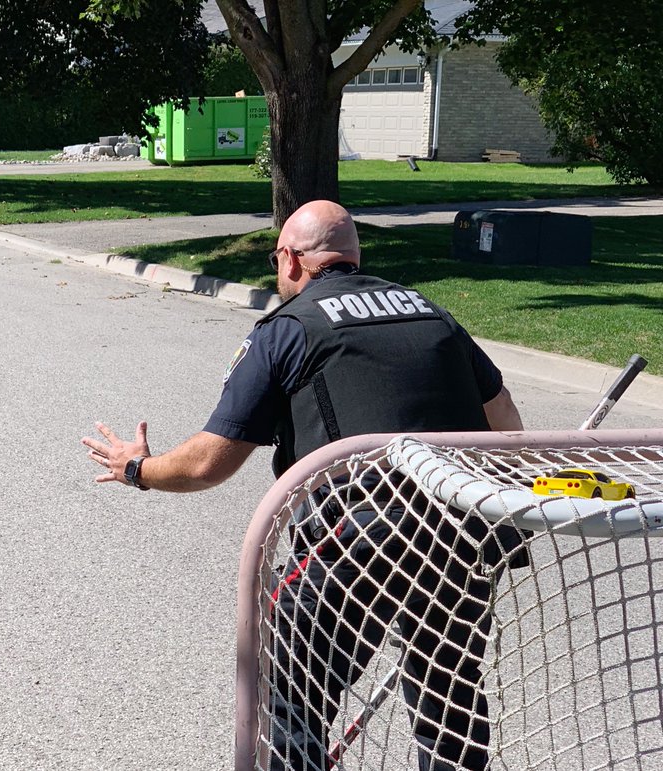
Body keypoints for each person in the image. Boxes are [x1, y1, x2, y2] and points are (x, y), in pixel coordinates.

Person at [82, 200, 524, 770]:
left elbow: (207, 464)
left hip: (353, 539)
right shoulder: (429, 312)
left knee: (290, 691)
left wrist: (137, 469)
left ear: (290, 259)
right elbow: (504, 419)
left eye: (275, 258)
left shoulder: (288, 328)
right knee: (450, 696)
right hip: (459, 535)